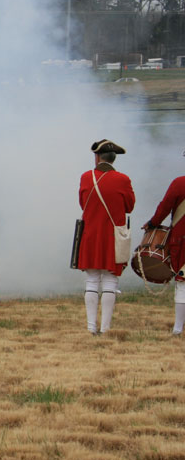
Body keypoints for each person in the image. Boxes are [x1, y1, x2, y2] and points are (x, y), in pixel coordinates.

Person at [76, 139, 135, 335]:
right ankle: (105, 329)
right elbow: (129, 206)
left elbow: (82, 203)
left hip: (90, 234)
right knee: (110, 280)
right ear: (113, 159)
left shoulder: (86, 177)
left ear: (97, 157)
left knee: (92, 280)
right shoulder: (123, 179)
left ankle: (91, 327)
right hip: (112, 237)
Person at [142, 150, 185, 335]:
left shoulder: (179, 183)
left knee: (183, 284)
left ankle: (177, 329)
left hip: (182, 241)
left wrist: (152, 224)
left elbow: (164, 208)